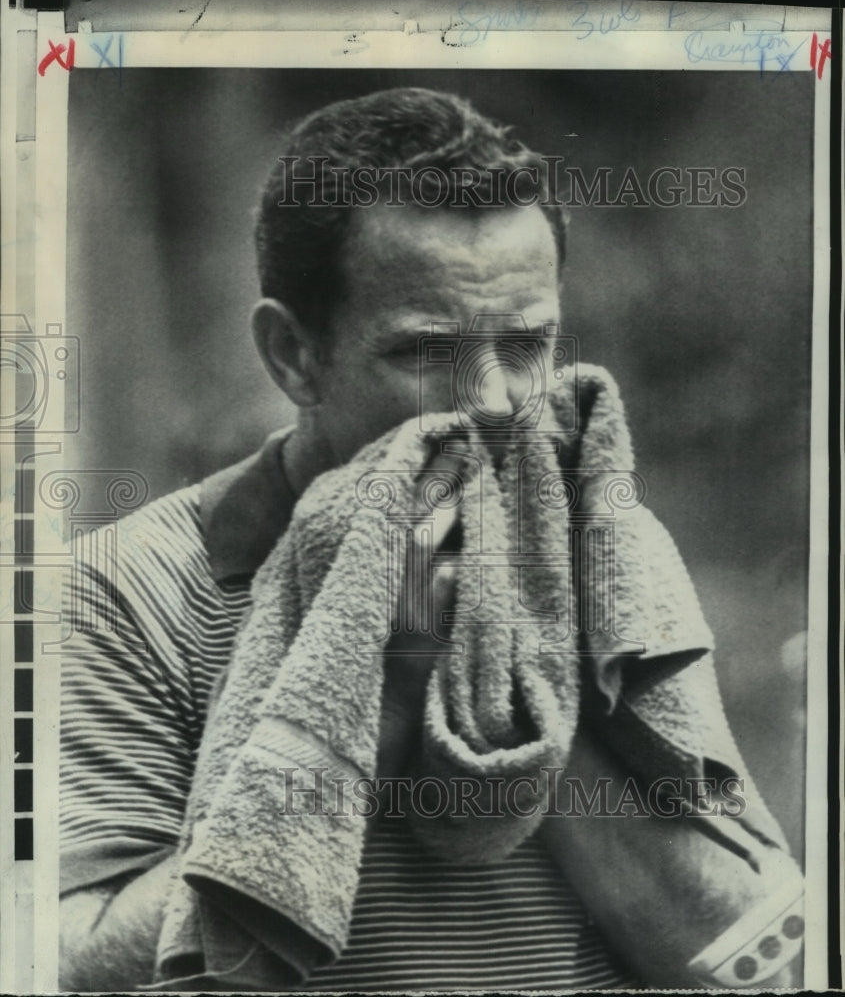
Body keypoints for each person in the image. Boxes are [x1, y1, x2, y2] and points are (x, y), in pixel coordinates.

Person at [58, 88, 799, 992]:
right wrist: (379, 686)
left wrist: (518, 678)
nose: (492, 400)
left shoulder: (608, 555)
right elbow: (66, 968)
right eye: (425, 353)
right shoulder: (129, 590)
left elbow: (759, 964)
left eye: (527, 344)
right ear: (292, 355)